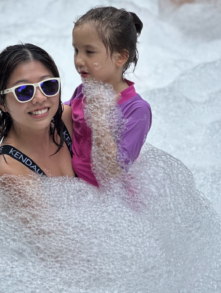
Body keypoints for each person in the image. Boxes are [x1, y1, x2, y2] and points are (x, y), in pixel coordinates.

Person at [65, 6, 152, 187]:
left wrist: (99, 120)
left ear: (120, 57)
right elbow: (61, 114)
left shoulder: (137, 110)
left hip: (111, 203)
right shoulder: (83, 90)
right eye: (76, 50)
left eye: (89, 52)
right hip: (76, 189)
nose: (79, 60)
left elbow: (115, 170)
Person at [0, 43, 75, 178]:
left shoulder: (68, 119)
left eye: (48, 85)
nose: (40, 98)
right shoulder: (9, 169)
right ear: (1, 102)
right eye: (24, 91)